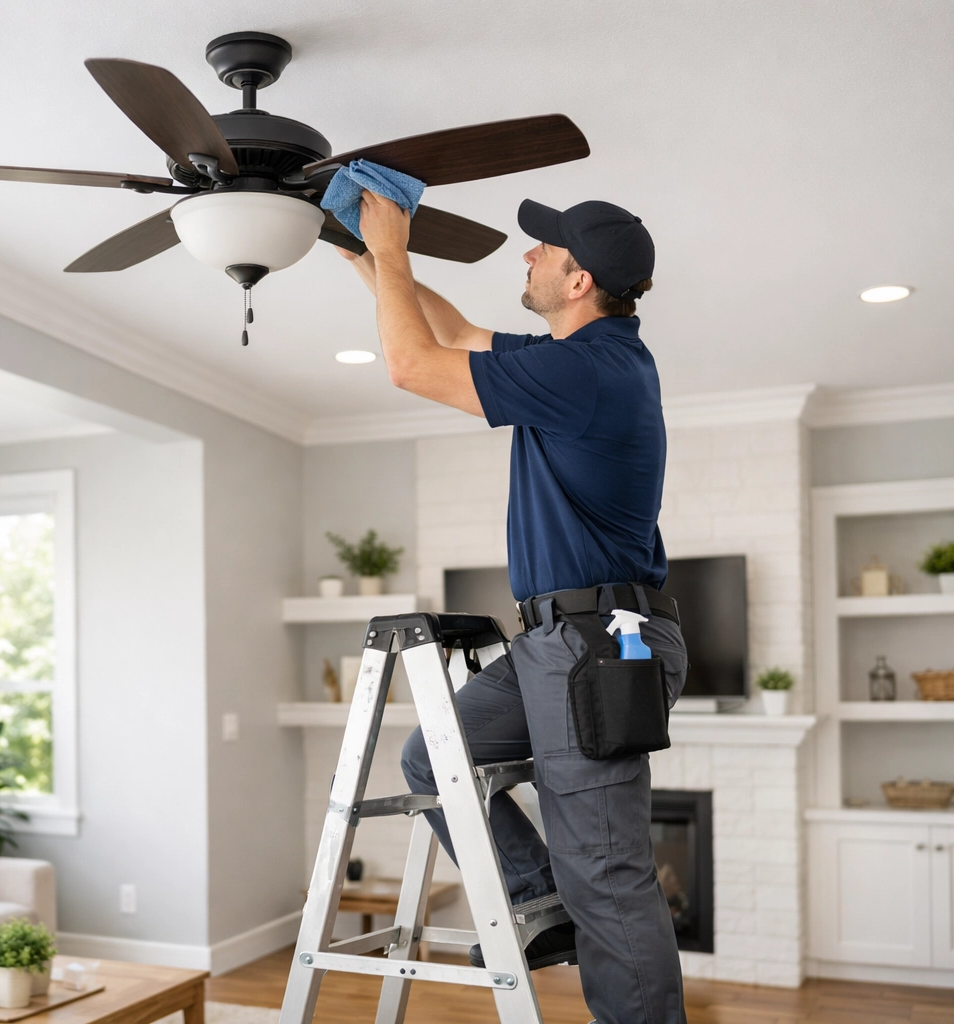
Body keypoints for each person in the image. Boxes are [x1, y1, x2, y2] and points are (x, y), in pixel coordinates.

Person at [339, 192, 689, 1024]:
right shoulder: (578, 357)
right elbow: (456, 332)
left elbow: (411, 364)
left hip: (600, 645)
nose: (527, 255)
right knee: (435, 760)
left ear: (580, 279)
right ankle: (542, 898)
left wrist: (394, 246)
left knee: (608, 873)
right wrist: (363, 250)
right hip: (556, 643)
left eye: (545, 249)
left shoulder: (588, 373)